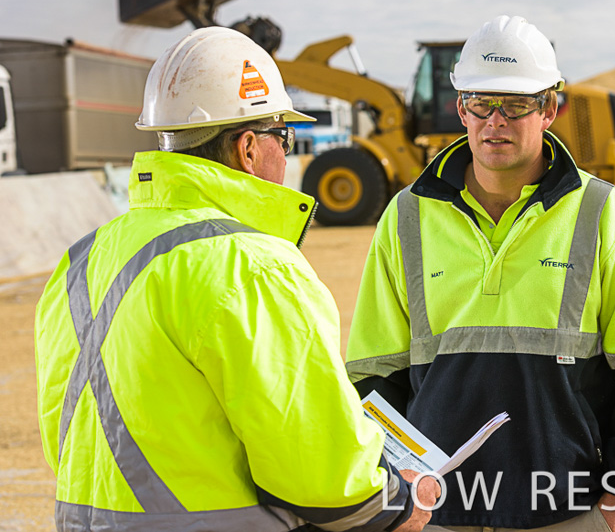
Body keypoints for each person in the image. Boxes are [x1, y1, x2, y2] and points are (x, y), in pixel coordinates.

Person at [35, 27, 437, 532]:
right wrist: (395, 504)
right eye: (283, 137)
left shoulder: (81, 259)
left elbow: (63, 430)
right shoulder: (253, 265)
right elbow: (319, 470)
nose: (286, 155)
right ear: (248, 148)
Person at [345, 15, 615, 531]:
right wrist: (397, 486)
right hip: (436, 514)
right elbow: (374, 373)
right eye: (482, 103)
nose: (495, 120)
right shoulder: (405, 217)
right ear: (461, 108)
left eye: (516, 104)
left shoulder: (608, 215)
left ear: (549, 110)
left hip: (568, 513)